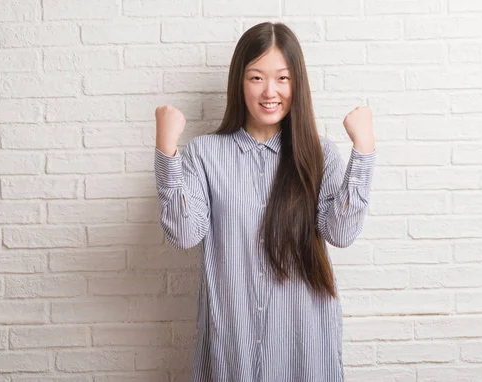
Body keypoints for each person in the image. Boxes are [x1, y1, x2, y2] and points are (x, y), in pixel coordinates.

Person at [154, 22, 375, 382]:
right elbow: (184, 233)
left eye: (283, 79)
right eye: (256, 78)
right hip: (231, 348)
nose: (270, 91)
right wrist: (167, 151)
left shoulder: (319, 154)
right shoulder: (204, 154)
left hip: (303, 345)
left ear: (297, 84)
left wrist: (363, 151)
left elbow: (342, 232)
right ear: (239, 83)